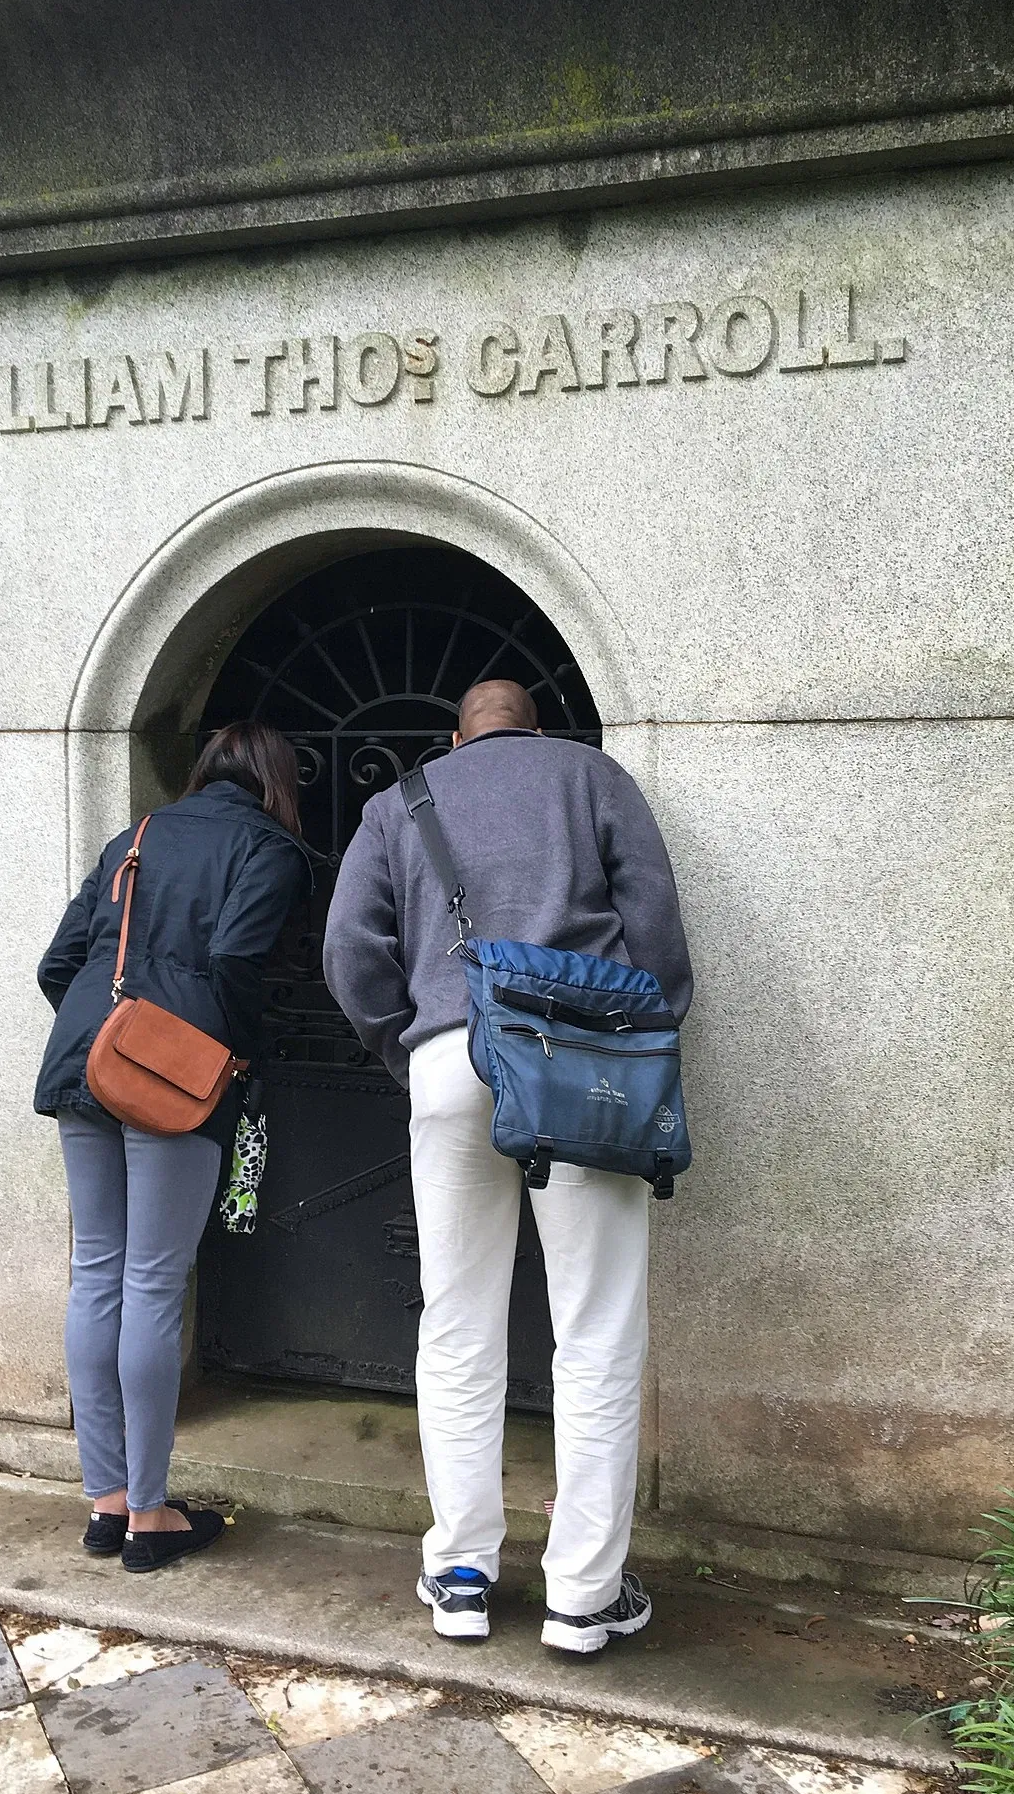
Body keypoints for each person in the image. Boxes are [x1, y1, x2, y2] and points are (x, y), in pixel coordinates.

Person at [323, 679, 693, 1653]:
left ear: (459, 735)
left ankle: (461, 1575)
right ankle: (583, 1592)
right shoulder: (593, 776)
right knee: (598, 1328)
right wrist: (641, 1035)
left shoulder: (400, 800)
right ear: (538, 727)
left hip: (451, 1054)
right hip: (579, 1060)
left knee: (456, 1321)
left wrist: (411, 1047)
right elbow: (655, 929)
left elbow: (346, 948)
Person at [35, 722, 308, 1572]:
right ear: (276, 779)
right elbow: (234, 960)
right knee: (152, 1281)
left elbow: (59, 962)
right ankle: (150, 1517)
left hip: (88, 1054)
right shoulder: (270, 848)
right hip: (176, 1077)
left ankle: (106, 1501)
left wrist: (110, 1035)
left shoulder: (137, 835)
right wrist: (238, 1050)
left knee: (97, 1273)